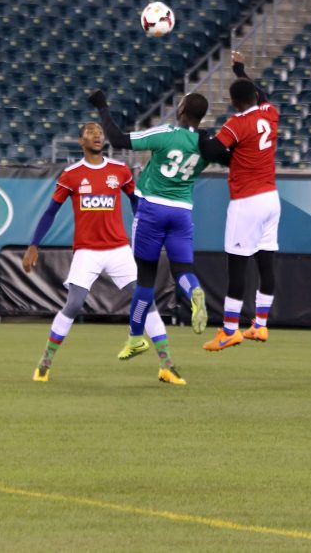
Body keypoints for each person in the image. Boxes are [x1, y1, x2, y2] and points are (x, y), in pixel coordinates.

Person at [24, 122, 186, 385]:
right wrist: (33, 245)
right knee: (74, 303)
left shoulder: (120, 171)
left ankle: (167, 366)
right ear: (80, 141)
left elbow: (136, 202)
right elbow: (50, 212)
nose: (97, 134)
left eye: (99, 131)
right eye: (90, 131)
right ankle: (45, 363)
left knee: (146, 301)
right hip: (87, 251)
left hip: (119, 249)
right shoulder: (71, 174)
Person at [87, 88, 211, 362]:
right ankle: (194, 291)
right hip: (182, 212)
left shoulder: (166, 134)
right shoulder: (205, 144)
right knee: (183, 270)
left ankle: (134, 337)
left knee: (144, 278)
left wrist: (102, 106)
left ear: (180, 110)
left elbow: (118, 139)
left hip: (152, 209)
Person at [196, 51, 280, 350]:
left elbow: (211, 152)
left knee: (237, 266)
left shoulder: (236, 123)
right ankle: (260, 325)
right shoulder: (270, 113)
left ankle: (230, 329)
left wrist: (201, 134)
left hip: (247, 201)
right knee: (266, 262)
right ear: (256, 96)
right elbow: (262, 93)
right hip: (271, 198)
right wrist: (240, 70)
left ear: (234, 102)